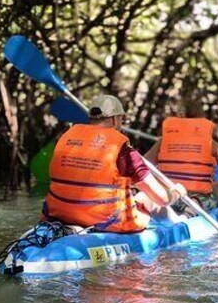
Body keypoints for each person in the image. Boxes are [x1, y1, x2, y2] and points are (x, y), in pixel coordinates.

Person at [43, 95, 187, 232]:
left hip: (59, 215)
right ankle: (181, 222)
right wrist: (175, 194)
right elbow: (161, 199)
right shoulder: (123, 151)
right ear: (114, 119)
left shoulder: (66, 139)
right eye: (121, 119)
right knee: (147, 199)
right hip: (106, 221)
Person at [144, 98, 218, 211]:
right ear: (201, 118)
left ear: (180, 117)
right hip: (195, 197)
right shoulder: (210, 143)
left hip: (170, 196)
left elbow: (144, 163)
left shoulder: (164, 141)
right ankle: (195, 205)